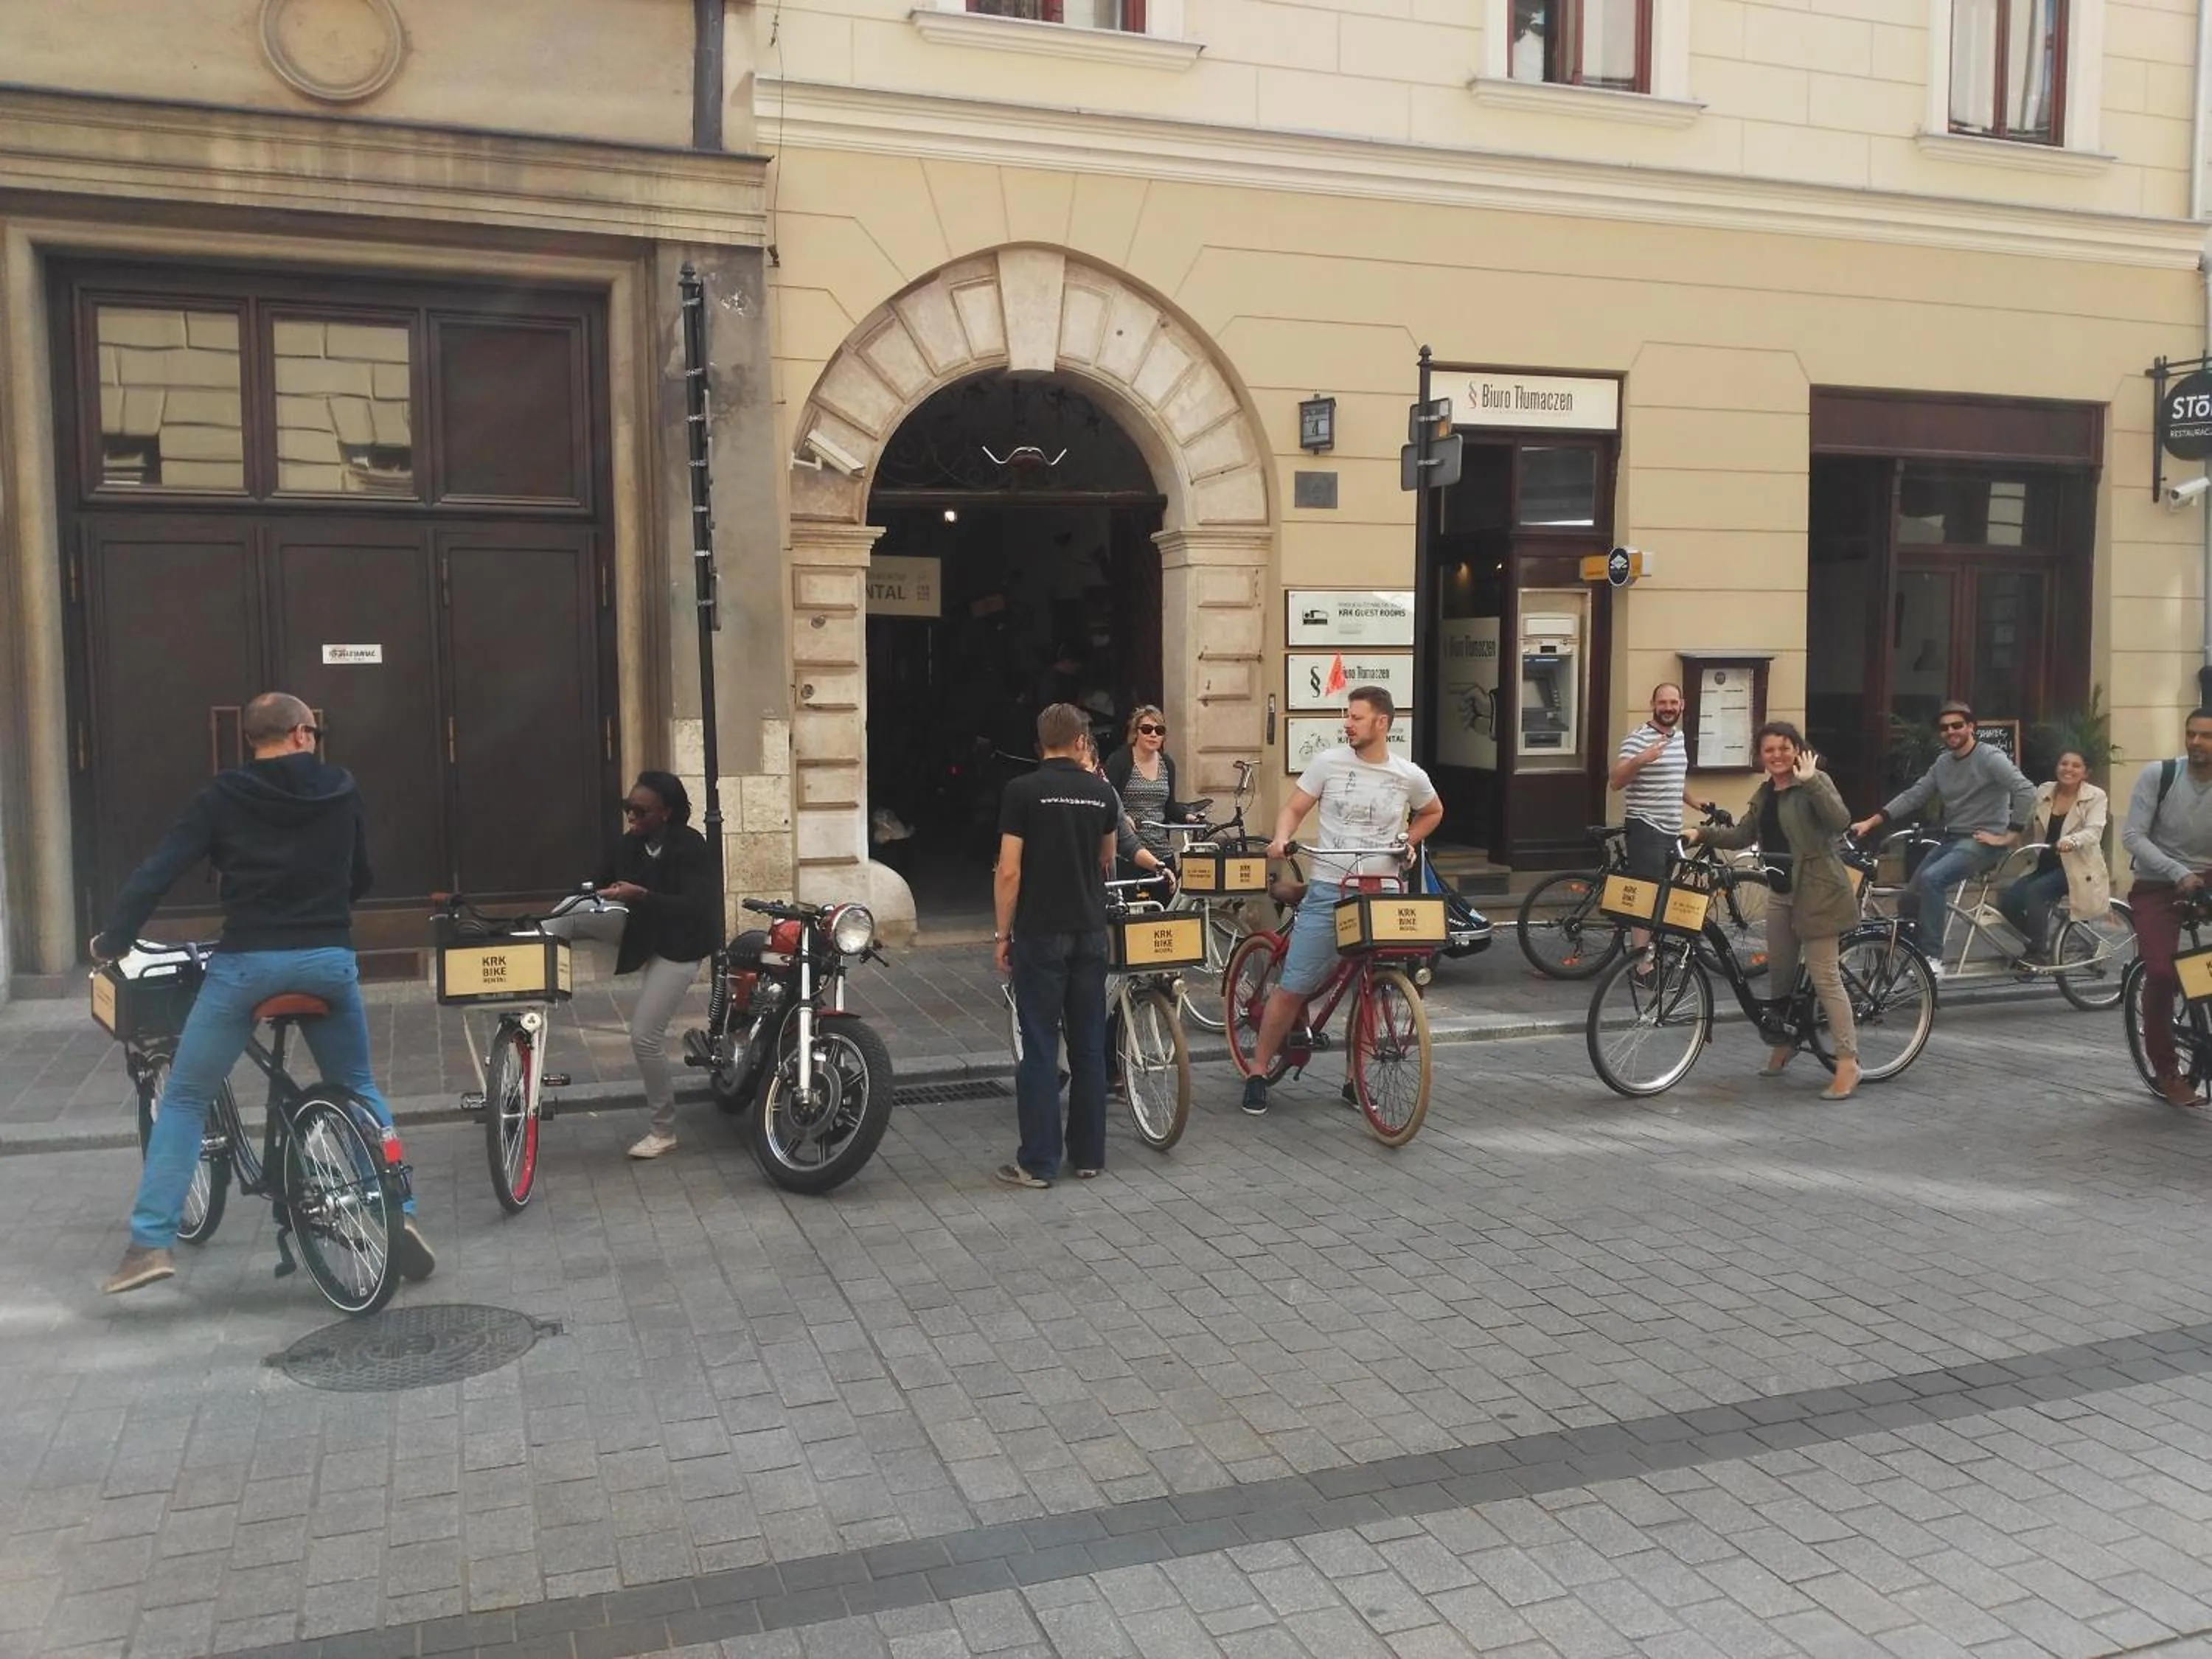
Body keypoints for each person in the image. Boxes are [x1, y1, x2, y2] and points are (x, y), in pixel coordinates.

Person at [91, 692, 434, 1295]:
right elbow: (361, 876)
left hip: (248, 965)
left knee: (188, 1097)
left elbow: (159, 870)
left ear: (255, 739)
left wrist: (113, 939)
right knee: (357, 1087)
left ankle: (149, 1243)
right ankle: (401, 1212)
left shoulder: (221, 796)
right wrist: (323, 915)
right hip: (329, 960)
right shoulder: (342, 787)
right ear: (302, 733)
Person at [1245, 686, 1443, 1116]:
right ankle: (1257, 1071)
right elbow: (1294, 809)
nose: (1347, 724)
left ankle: (1355, 1080)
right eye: (1347, 716)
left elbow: (1432, 812)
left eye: (1356, 717)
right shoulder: (1328, 763)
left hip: (1383, 893)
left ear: (1382, 723)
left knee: (1372, 990)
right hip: (1331, 887)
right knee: (1295, 984)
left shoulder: (1408, 775)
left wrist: (1408, 841)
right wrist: (1281, 837)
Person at [1684, 722, 1860, 1101]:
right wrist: (1701, 834)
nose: (1777, 756)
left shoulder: (1815, 782)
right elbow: (1742, 835)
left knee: (1824, 975)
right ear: (1760, 756)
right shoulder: (1766, 793)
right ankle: (1786, 1043)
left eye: (1784, 748)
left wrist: (1812, 781)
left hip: (1819, 891)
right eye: (1769, 751)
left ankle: (1848, 1062)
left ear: (1797, 750)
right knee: (1779, 977)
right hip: (1781, 892)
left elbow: (1839, 820)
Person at [993, 703, 1121, 1187]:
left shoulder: (1022, 791)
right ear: (1081, 741)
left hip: (1040, 931)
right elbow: (1107, 857)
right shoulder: (1100, 792)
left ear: (1040, 741)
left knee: (1042, 1046)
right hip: (1089, 929)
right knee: (1089, 1046)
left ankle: (1039, 1162)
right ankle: (1088, 1157)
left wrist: (1003, 934)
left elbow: (1009, 870)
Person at [1849, 700, 2035, 974]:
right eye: (1945, 728)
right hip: (1953, 840)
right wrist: (1872, 822)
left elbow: (2026, 790)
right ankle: (1910, 958)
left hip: (1983, 841)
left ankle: (1932, 959)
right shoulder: (1943, 763)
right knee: (1908, 900)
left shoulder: (1990, 757)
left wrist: (2010, 835)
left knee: (1932, 879)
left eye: (1957, 725)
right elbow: (1915, 795)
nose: (1951, 731)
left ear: (1971, 727)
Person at [597, 771, 721, 1160]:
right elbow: (594, 881)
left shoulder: (690, 847)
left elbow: (697, 906)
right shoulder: (628, 846)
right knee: (644, 1033)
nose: (632, 817)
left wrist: (643, 896)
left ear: (666, 813)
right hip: (644, 942)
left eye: (641, 811)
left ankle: (663, 1130)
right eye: (628, 808)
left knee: (645, 1035)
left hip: (681, 947)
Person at [2120, 710, 2212, 1107]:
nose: (2196, 743)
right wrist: (2177, 872)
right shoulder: (2161, 776)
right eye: (2191, 735)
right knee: (2160, 973)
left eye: (2206, 737)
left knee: (2196, 971)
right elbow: (2132, 835)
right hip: (2159, 881)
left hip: (2208, 876)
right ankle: (2168, 1072)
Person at [1607, 684, 1709, 953]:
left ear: (1682, 705)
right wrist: (1641, 759)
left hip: (1671, 828)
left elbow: (1674, 777)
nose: (1668, 708)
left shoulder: (1679, 737)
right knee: (1645, 897)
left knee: (1660, 895)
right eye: (1662, 703)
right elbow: (1616, 782)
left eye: (1673, 702)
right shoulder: (1638, 738)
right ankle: (1642, 964)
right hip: (1646, 825)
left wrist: (1693, 800)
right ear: (1653, 704)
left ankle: (1650, 952)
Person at [1998, 749, 2110, 964]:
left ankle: (2038, 952)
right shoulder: (2044, 791)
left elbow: (2094, 831)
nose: (2068, 769)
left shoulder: (2096, 796)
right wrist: (2005, 837)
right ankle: (2041, 939)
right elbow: (2028, 821)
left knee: (2036, 892)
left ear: (2086, 772)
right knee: (2009, 902)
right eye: (2064, 764)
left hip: (2077, 868)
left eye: (2076, 766)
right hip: (2044, 864)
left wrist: (2072, 841)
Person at [1103, 706, 1188, 866]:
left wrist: (1188, 817)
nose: (1153, 734)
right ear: (1136, 733)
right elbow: (1107, 800)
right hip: (1127, 853)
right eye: (1147, 729)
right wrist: (1123, 818)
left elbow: (1170, 808)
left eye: (1159, 730)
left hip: (1161, 851)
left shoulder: (1167, 764)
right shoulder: (1119, 761)